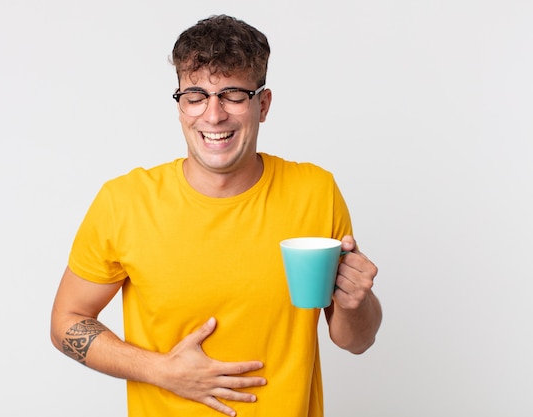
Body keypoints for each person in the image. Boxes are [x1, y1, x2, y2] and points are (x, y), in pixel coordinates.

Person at [50, 14, 382, 417]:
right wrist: (160, 371)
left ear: (263, 104)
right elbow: (66, 321)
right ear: (179, 106)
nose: (213, 115)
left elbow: (355, 340)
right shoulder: (125, 202)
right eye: (195, 96)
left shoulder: (315, 192)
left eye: (232, 95)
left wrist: (355, 302)